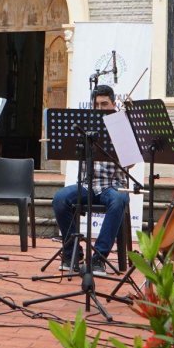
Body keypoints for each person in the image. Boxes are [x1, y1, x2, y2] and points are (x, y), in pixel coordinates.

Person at [52, 85, 133, 277]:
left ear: (113, 104)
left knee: (120, 200)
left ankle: (99, 257)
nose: (100, 108)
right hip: (88, 185)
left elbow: (131, 164)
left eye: (105, 104)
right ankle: (72, 253)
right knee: (60, 199)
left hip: (112, 185)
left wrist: (123, 140)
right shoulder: (85, 126)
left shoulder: (121, 127)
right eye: (96, 104)